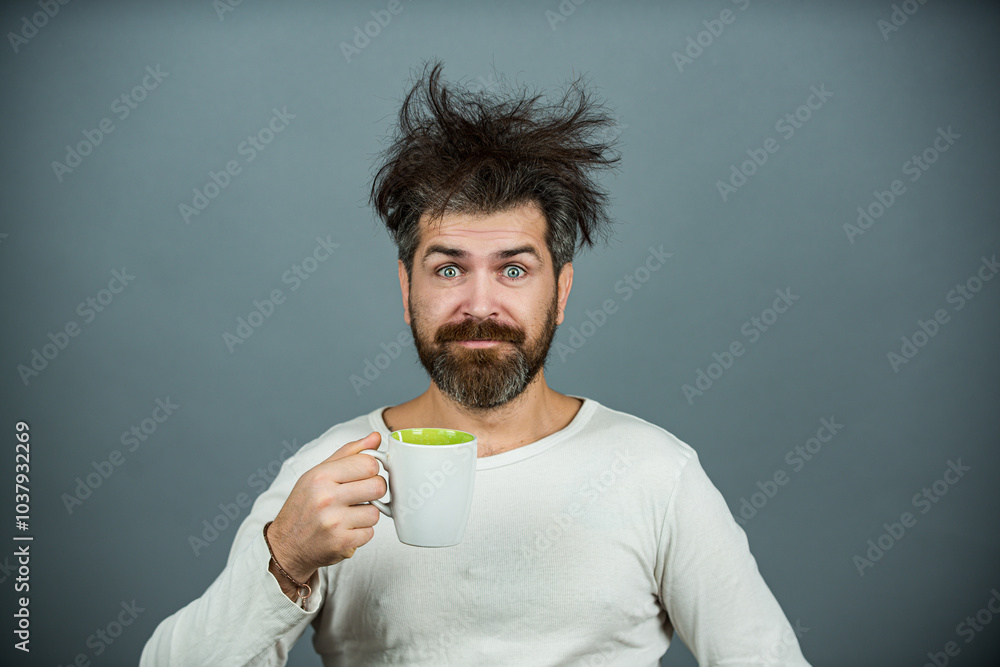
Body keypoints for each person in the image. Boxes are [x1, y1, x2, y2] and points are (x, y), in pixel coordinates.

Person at [140, 60, 810, 666]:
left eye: (514, 269)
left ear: (561, 292)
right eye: (448, 268)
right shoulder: (330, 478)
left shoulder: (657, 473)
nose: (480, 304)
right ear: (406, 290)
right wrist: (284, 559)